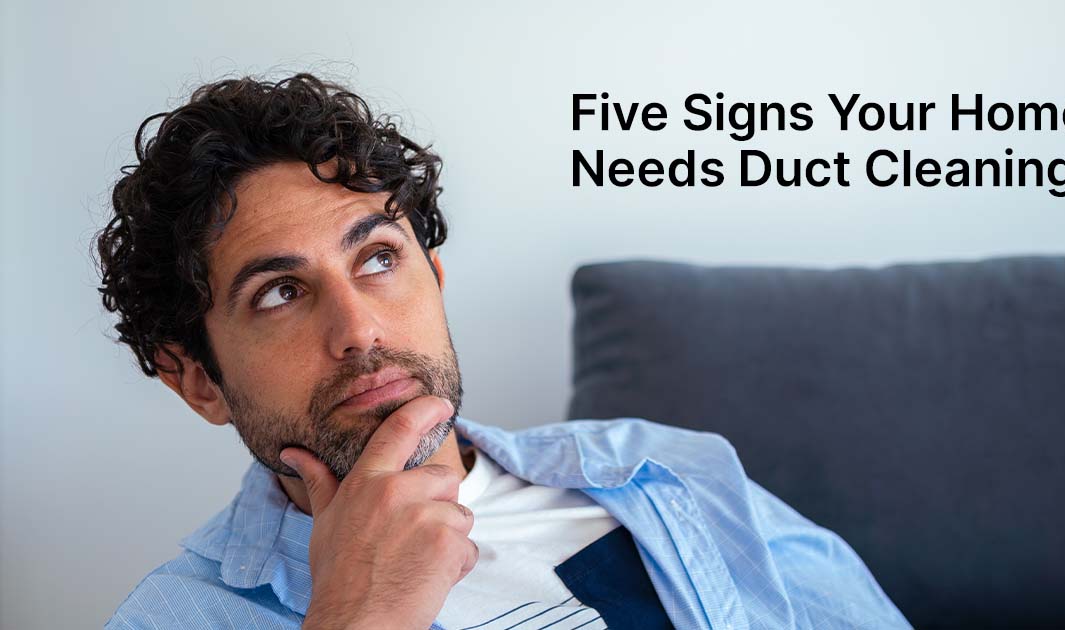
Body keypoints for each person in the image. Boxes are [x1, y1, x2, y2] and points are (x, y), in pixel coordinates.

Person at [94, 72, 910, 630]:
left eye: (378, 259)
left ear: (434, 279)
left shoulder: (663, 471)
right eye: (279, 291)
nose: (360, 331)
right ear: (197, 379)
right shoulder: (178, 614)